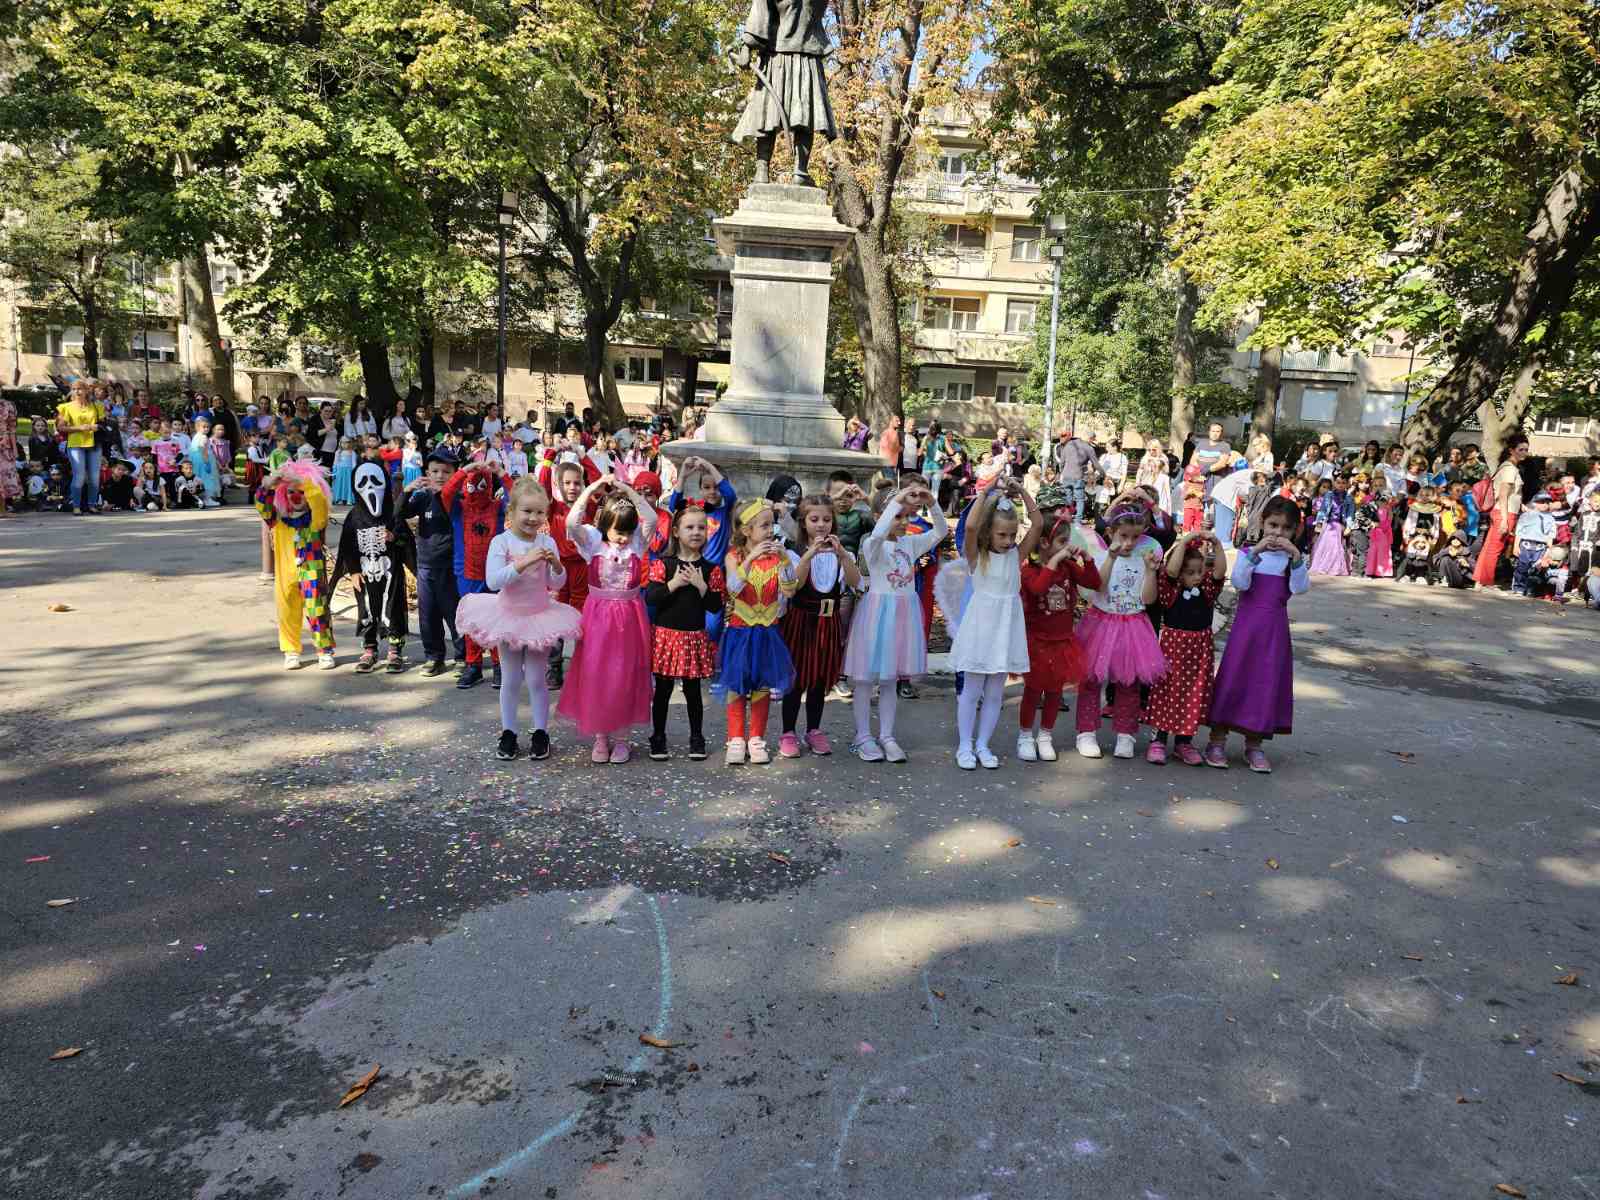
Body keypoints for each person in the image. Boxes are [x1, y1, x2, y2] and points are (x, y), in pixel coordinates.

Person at [455, 477, 581, 762]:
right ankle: (509, 732)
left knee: (537, 679)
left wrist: (556, 565)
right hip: (509, 617)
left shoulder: (547, 542)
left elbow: (557, 584)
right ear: (511, 512)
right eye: (527, 511)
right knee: (511, 678)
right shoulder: (501, 542)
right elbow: (493, 580)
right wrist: (523, 562)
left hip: (538, 617)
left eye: (539, 512)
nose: (533, 518)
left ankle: (541, 732)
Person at [842, 482, 946, 762]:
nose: (903, 522)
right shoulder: (872, 545)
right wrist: (898, 499)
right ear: (880, 516)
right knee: (865, 679)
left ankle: (887, 735)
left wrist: (932, 503)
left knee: (890, 679)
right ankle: (863, 735)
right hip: (877, 615)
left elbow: (941, 532)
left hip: (902, 617)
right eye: (896, 516)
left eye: (906, 516)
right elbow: (878, 534)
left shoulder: (909, 544)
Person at [558, 476, 657, 763]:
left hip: (629, 619)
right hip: (598, 618)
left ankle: (622, 738)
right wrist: (591, 489)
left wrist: (628, 491)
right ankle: (601, 736)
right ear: (605, 525)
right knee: (597, 673)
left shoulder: (636, 543)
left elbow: (650, 518)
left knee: (624, 675)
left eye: (627, 531)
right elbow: (571, 523)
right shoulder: (592, 542)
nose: (623, 537)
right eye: (617, 531)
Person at [1205, 496, 1308, 772]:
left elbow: (1300, 588)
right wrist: (1254, 554)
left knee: (1265, 682)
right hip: (1246, 630)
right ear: (1262, 523)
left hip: (1274, 632)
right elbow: (1240, 582)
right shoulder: (1249, 553)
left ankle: (1254, 745)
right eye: (1273, 525)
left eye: (1286, 529)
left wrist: (1296, 557)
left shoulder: (1291, 560)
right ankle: (1216, 741)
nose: (1278, 533)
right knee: (1234, 677)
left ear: (1295, 531)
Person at [943, 481, 1041, 770]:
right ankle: (965, 745)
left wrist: (1022, 492)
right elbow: (971, 526)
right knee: (972, 690)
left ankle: (983, 744)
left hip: (1006, 630)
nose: (1009, 540)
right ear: (989, 532)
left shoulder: (1016, 556)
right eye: (1002, 534)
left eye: (1012, 535)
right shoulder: (977, 556)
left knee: (996, 692)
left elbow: (1037, 524)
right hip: (981, 629)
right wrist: (985, 493)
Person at [1072, 498, 1166, 760]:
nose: (1129, 542)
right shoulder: (1101, 556)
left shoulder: (1144, 560)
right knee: (1091, 679)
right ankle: (1086, 732)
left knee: (1129, 682)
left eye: (1135, 537)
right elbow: (1098, 588)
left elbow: (1148, 599)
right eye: (1123, 536)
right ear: (1111, 533)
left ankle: (1126, 734)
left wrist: (1150, 572)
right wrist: (1111, 559)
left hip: (1133, 625)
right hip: (1101, 622)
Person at [716, 498, 799, 765]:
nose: (770, 530)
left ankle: (756, 739)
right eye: (764, 525)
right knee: (737, 686)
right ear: (746, 530)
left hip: (768, 633)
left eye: (772, 525)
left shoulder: (777, 559)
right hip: (740, 632)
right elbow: (733, 589)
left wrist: (785, 562)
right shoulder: (734, 557)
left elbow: (789, 591)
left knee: (762, 685)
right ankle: (735, 739)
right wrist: (751, 559)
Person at [1014, 512, 1100, 764]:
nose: (1067, 546)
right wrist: (1054, 562)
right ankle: (1025, 736)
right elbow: (1038, 588)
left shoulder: (1068, 567)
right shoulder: (1029, 571)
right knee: (1033, 690)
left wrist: (1087, 559)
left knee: (1054, 692)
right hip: (1037, 641)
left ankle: (1045, 736)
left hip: (1062, 641)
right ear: (1043, 543)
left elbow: (1094, 582)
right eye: (1062, 542)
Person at [777, 495, 859, 758]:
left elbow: (856, 582)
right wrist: (809, 555)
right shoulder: (794, 551)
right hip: (802, 621)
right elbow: (795, 586)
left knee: (819, 679)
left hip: (829, 622)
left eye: (826, 519)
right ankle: (788, 732)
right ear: (803, 522)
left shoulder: (841, 552)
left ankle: (813, 730)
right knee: (797, 678)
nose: (821, 524)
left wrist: (844, 556)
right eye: (814, 519)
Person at [645, 506, 725, 761]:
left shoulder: (711, 569)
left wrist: (701, 586)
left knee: (693, 691)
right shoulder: (663, 564)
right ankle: (658, 736)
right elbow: (652, 597)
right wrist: (674, 583)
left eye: (701, 527)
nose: (696, 532)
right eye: (690, 527)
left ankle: (696, 737)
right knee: (663, 690)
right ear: (676, 532)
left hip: (693, 636)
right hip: (666, 637)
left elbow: (715, 605)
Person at [1144, 531, 1226, 765]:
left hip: (1199, 651)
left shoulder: (1207, 589)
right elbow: (1170, 570)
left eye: (1200, 571)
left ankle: (1184, 742)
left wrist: (1217, 544)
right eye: (1190, 573)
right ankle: (1158, 740)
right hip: (1173, 648)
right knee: (1167, 692)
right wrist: (1186, 541)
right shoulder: (1171, 588)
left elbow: (1219, 572)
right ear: (1180, 573)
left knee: (1193, 694)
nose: (1197, 577)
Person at [328, 461, 410, 672]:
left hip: (390, 571)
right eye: (363, 482)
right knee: (366, 608)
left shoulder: (392, 513)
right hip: (364, 572)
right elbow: (348, 546)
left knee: (393, 607)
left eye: (375, 481)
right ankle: (370, 648)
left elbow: (406, 541)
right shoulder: (354, 516)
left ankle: (395, 650)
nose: (370, 487)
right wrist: (354, 570)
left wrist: (394, 537)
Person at [255, 462, 337, 669]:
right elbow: (262, 505)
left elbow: (319, 502)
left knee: (317, 610)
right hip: (285, 575)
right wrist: (268, 485)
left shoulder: (316, 519)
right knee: (287, 612)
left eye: (301, 492)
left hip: (311, 571)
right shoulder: (277, 519)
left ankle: (324, 651)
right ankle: (291, 651)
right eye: (291, 492)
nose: (296, 496)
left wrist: (304, 482)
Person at [442, 460, 507, 688]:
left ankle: (499, 664)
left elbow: (517, 499)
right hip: (466, 573)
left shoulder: (498, 508)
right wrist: (464, 471)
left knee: (496, 619)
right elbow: (446, 493)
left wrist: (501, 473)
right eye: (471, 486)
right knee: (472, 621)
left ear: (489, 487)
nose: (476, 491)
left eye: (482, 486)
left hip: (494, 572)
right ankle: (473, 665)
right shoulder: (458, 509)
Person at [401, 449, 466, 678]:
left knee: (454, 613)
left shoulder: (458, 499)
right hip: (426, 565)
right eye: (435, 471)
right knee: (428, 615)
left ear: (455, 474)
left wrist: (445, 493)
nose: (440, 476)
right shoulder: (423, 497)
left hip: (450, 566)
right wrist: (407, 491)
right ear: (427, 473)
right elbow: (400, 513)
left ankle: (463, 657)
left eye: (446, 472)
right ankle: (434, 657)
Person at [57, 380, 104, 514]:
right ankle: (76, 506)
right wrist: (79, 428)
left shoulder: (97, 406)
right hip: (75, 444)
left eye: (80, 389)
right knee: (79, 476)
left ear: (87, 390)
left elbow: (104, 424)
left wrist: (97, 426)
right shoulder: (66, 407)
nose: (77, 391)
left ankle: (92, 505)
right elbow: (60, 427)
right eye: (74, 389)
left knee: (94, 477)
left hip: (94, 444)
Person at [1511, 491, 1557, 597]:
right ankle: (1519, 587)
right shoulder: (1526, 515)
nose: (1545, 504)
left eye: (1547, 502)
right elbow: (1519, 532)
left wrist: (1548, 552)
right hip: (1526, 545)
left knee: (1536, 569)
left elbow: (1550, 536)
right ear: (1534, 503)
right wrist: (1516, 546)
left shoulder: (1551, 518)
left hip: (1541, 547)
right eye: (1542, 502)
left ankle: (1530, 588)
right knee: (1522, 567)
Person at [1309, 473, 1352, 575]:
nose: (1340, 485)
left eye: (1343, 483)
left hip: (1340, 524)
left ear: (1347, 484)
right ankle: (1325, 566)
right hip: (1329, 524)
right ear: (1334, 483)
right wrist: (1319, 523)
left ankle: (1335, 567)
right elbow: (1323, 509)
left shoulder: (1348, 497)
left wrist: (1349, 526)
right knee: (1328, 544)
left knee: (1338, 545)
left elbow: (1350, 513)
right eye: (1338, 482)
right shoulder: (1329, 495)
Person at [1054, 430, 1098, 518]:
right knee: (1080, 499)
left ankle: (1068, 516)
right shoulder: (1089, 448)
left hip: (1067, 475)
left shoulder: (1070, 444)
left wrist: (1062, 471)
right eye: (1092, 439)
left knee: (1068, 496)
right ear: (1090, 438)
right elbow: (1096, 464)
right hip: (1078, 476)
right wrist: (1104, 475)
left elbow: (1062, 462)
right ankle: (1077, 519)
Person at [1568, 488, 1600, 595]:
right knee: (1579, 566)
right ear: (1590, 501)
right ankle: (1578, 588)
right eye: (1596, 501)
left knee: (1591, 567)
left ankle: (1588, 591)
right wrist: (1574, 543)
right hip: (1581, 544)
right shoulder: (1584, 514)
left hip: (1594, 546)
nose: (1598, 504)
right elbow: (1577, 531)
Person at [187, 416, 222, 507]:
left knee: (199, 479)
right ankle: (207, 499)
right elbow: (203, 450)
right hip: (203, 461)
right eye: (204, 427)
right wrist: (207, 462)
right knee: (207, 479)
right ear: (198, 427)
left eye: (208, 427)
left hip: (196, 461)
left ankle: (199, 498)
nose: (206, 429)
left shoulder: (195, 436)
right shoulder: (204, 437)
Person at [1135, 438, 1173, 514]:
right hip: (1146, 483)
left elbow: (1167, 471)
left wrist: (1157, 463)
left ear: (1158, 449)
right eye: (1149, 450)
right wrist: (1137, 483)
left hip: (1159, 485)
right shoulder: (1145, 458)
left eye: (1154, 450)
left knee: (1158, 505)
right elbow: (1140, 471)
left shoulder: (1163, 457)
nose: (1151, 452)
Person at [0, 391, 18, 516]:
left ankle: (2, 510)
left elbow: (12, 428)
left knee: (4, 477)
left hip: (5, 447)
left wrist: (15, 449)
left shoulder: (8, 405)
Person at [1179, 463, 1205, 532]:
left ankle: (1197, 537)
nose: (1198, 477)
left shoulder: (1201, 484)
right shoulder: (1187, 484)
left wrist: (1202, 495)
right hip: (1189, 508)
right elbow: (1182, 496)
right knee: (1187, 525)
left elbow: (1204, 495)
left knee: (1198, 525)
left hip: (1199, 508)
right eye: (1196, 476)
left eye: (1198, 475)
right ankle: (1186, 536)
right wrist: (1188, 493)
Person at [331, 438, 357, 504]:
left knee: (348, 484)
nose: (344, 444)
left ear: (350, 443)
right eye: (342, 442)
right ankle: (339, 499)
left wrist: (354, 472)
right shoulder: (338, 452)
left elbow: (354, 463)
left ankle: (349, 499)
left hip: (349, 472)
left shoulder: (352, 452)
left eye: (346, 442)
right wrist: (334, 471)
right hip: (339, 471)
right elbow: (335, 462)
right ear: (340, 443)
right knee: (339, 484)